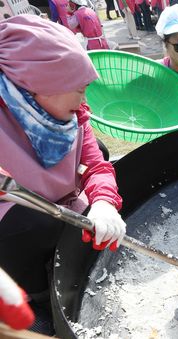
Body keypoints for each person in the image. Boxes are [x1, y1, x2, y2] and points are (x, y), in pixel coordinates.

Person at [0, 15, 127, 334]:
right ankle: (37, 298)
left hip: (56, 202)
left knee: (78, 225)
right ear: (41, 84)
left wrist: (103, 202)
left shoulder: (72, 117)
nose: (84, 101)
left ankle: (65, 276)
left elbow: (96, 165)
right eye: (79, 90)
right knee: (33, 223)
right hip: (14, 226)